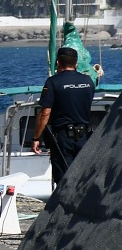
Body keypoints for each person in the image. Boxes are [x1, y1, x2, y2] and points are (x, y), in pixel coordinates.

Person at [31, 46, 96, 188]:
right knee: (83, 177)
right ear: (76, 63)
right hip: (84, 136)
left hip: (63, 138)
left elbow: (45, 112)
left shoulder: (53, 82)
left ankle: (66, 207)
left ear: (58, 63)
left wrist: (36, 137)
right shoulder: (89, 82)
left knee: (64, 180)